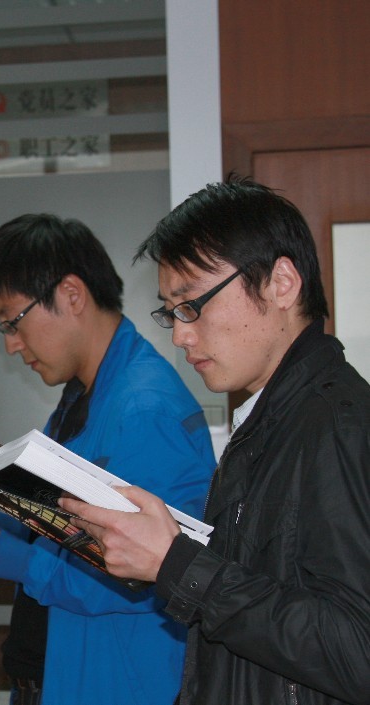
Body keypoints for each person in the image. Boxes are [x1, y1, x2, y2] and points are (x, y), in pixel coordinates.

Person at [60, 177, 370, 704]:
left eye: (193, 304)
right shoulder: (269, 420)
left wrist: (177, 565)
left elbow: (356, 650)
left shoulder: (336, 424)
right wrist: (157, 550)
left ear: (281, 284)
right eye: (171, 312)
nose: (181, 335)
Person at [0, 213, 216, 705]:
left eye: (13, 321)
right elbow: (59, 524)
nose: (10, 344)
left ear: (71, 294)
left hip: (118, 683)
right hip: (57, 672)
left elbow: (141, 577)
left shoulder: (145, 408)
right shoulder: (83, 397)